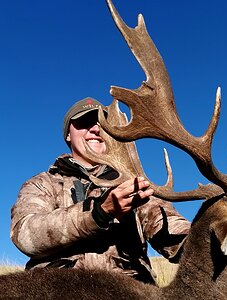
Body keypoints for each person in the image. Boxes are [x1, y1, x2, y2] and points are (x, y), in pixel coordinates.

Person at [10, 97, 191, 284]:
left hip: (129, 292)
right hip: (57, 288)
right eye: (84, 123)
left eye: (103, 125)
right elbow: (26, 234)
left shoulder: (132, 183)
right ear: (68, 135)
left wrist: (203, 239)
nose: (96, 129)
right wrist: (99, 213)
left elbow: (164, 221)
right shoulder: (42, 184)